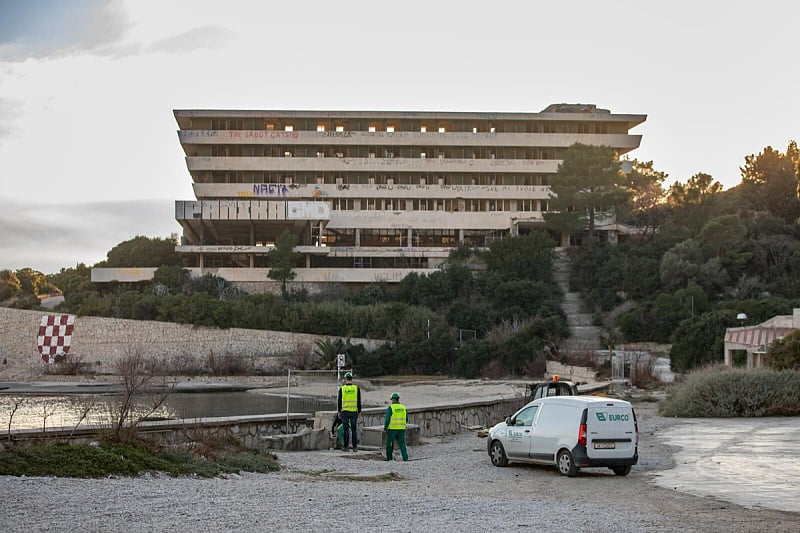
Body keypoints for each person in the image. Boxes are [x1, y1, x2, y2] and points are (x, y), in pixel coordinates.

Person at [337, 371, 361, 452]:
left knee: (346, 430)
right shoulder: (356, 388)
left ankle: (346, 447)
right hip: (354, 412)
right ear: (351, 379)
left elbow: (339, 401)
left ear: (345, 379)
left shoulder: (342, 389)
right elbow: (359, 401)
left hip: (344, 412)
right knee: (354, 430)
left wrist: (339, 411)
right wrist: (359, 411)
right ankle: (355, 447)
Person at [384, 392, 408, 461]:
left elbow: (387, 419)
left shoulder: (391, 408)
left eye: (391, 400)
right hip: (401, 428)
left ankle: (389, 458)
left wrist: (385, 428)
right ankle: (405, 458)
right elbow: (406, 419)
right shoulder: (403, 407)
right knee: (402, 444)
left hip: (392, 429)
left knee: (390, 444)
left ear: (393, 400)